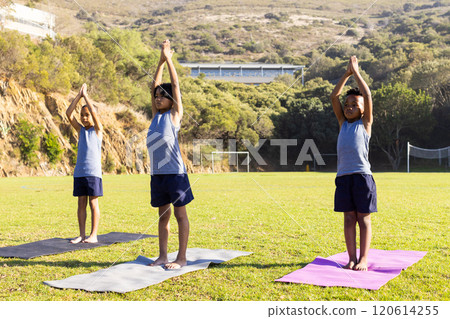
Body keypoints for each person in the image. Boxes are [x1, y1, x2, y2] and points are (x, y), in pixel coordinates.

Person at [147, 39, 194, 269]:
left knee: (179, 216)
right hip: (158, 175)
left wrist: (170, 60)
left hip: (175, 174)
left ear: (171, 100)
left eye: (162, 96)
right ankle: (163, 256)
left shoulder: (174, 114)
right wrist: (160, 60)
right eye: (157, 96)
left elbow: (174, 85)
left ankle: (181, 257)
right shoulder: (155, 114)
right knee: (163, 217)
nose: (158, 98)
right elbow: (154, 84)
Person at [330, 56, 377, 271]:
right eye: (347, 105)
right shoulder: (343, 124)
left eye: (354, 105)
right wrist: (345, 75)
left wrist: (356, 72)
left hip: (362, 177)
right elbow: (334, 96)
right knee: (348, 218)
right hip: (343, 177)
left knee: (363, 218)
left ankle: (364, 259)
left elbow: (366, 95)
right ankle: (351, 258)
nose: (348, 107)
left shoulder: (365, 123)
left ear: (363, 110)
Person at [66, 83, 103, 244]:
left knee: (93, 203)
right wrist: (78, 96)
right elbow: (68, 113)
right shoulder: (81, 131)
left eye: (87, 115)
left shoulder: (97, 130)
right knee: (81, 203)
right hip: (80, 172)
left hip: (93, 173)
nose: (84, 118)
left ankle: (93, 235)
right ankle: (81, 234)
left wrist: (86, 96)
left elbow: (94, 113)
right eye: (82, 115)